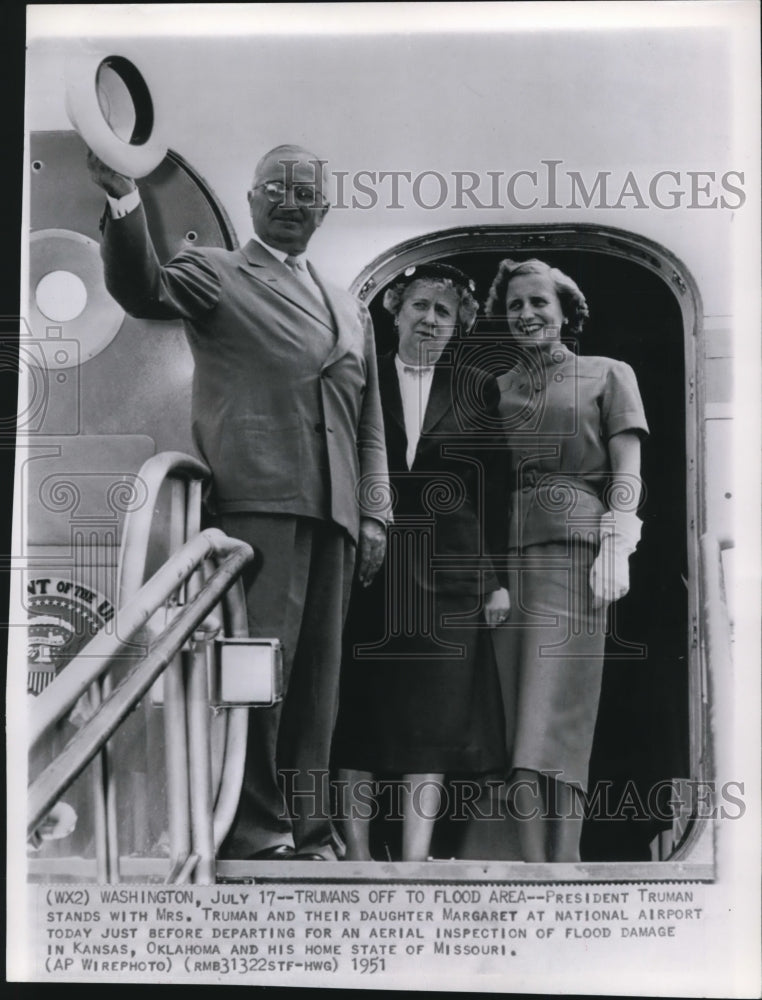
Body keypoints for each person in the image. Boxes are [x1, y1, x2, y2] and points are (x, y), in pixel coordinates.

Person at [86, 144, 391, 861]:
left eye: (306, 191)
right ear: (252, 199)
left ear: (323, 209)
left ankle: (309, 831)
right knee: (259, 674)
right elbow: (143, 287)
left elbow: (370, 423)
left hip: (337, 515)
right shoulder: (216, 273)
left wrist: (375, 512)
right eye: (277, 187)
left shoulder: (349, 306)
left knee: (319, 687)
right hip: (257, 502)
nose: (291, 200)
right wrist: (125, 203)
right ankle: (257, 831)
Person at [332, 263, 511, 862]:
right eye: (420, 306)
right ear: (396, 311)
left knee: (433, 716)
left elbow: (492, 488)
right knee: (358, 707)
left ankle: (414, 860)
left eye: (444, 311)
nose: (430, 319)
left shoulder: (475, 386)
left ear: (459, 324)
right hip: (370, 561)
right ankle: (357, 858)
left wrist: (495, 581)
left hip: (449, 568)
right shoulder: (362, 375)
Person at [485, 257, 648, 863]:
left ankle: (562, 861)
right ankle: (528, 863)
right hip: (511, 559)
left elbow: (627, 469)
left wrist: (619, 541)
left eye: (539, 303)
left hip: (579, 556)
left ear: (565, 311)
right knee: (514, 716)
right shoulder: (498, 389)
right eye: (515, 306)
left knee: (558, 715)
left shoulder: (609, 373)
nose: (527, 314)